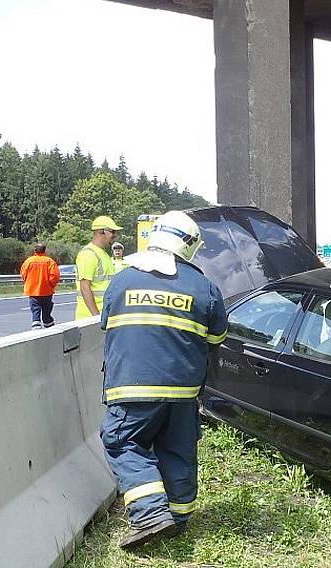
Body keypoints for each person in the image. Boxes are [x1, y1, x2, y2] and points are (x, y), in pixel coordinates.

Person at [99, 211, 228, 550]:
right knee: (178, 449)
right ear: (190, 247)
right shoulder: (205, 288)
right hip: (184, 390)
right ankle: (178, 518)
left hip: (130, 386)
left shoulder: (122, 280)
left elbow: (106, 324)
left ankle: (150, 512)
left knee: (123, 443)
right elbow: (216, 339)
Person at [74, 216, 123, 319]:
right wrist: (96, 318)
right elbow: (85, 287)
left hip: (105, 313)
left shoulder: (103, 254)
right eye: (112, 232)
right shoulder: (88, 254)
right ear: (101, 231)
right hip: (89, 317)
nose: (115, 235)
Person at [20, 243, 61, 329]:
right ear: (44, 250)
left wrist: (29, 283)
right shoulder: (49, 261)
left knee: (35, 308)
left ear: (35, 251)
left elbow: (23, 274)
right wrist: (51, 285)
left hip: (33, 290)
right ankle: (48, 322)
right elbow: (55, 276)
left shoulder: (29, 261)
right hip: (46, 291)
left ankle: (36, 323)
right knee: (46, 308)